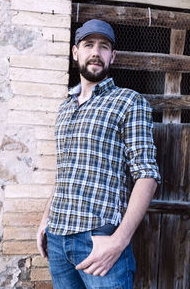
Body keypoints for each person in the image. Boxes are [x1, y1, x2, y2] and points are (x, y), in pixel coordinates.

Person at [37, 19, 161, 289]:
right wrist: (46, 219)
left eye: (104, 46)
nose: (96, 52)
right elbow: (65, 170)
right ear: (75, 52)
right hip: (57, 241)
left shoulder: (128, 101)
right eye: (88, 45)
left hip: (98, 242)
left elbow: (147, 175)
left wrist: (119, 241)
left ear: (112, 56)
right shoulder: (65, 107)